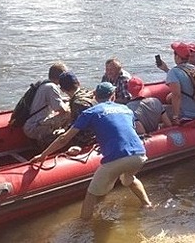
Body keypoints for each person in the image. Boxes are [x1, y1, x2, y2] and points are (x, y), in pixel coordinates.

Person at [31, 82, 152, 220]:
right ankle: (147, 205)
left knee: (91, 194)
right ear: (113, 96)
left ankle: (83, 225)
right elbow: (124, 131)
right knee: (129, 179)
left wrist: (43, 154)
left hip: (117, 157)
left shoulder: (90, 112)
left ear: (95, 96)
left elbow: (64, 139)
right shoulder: (126, 109)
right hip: (139, 154)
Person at [23, 62, 71, 149]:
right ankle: (53, 139)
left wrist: (66, 100)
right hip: (35, 127)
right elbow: (62, 109)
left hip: (30, 124)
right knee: (69, 113)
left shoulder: (45, 84)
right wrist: (70, 103)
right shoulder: (52, 87)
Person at [165, 42, 195, 125]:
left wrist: (175, 117)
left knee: (160, 110)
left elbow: (176, 95)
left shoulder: (174, 72)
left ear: (177, 57)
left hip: (189, 114)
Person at [58, 71, 96, 146]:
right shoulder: (87, 93)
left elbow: (77, 127)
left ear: (62, 89)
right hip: (97, 133)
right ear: (78, 83)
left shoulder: (77, 103)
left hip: (87, 139)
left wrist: (64, 131)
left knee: (47, 138)